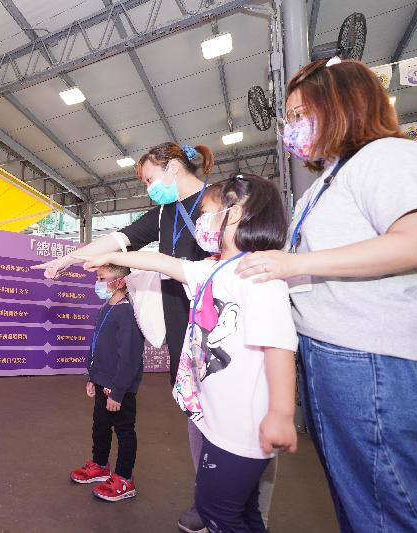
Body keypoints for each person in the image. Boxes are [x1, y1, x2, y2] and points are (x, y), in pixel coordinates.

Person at [34, 143, 278, 532]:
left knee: (244, 420)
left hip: (225, 333)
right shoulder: (165, 212)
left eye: (150, 178)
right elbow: (124, 239)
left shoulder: (219, 205)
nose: (149, 187)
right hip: (185, 334)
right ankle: (210, 497)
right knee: (199, 417)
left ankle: (244, 509)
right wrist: (70, 258)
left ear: (174, 166)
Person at [235, 57, 417, 532]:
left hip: (369, 357)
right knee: (358, 498)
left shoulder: (386, 157)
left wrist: (296, 264)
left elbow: (412, 241)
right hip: (332, 354)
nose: (291, 129)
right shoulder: (330, 179)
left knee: (385, 504)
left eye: (300, 115)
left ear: (341, 105)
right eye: (289, 118)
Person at [81, 174, 298, 531]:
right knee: (242, 513)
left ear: (239, 214)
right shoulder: (212, 269)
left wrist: (281, 413)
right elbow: (161, 262)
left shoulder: (258, 275)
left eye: (208, 214)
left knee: (219, 511)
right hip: (216, 418)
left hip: (244, 424)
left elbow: (279, 347)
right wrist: (107, 254)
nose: (200, 223)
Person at [69, 263, 144, 501]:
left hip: (119, 387)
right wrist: (92, 377)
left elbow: (129, 357)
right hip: (102, 381)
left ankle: (124, 478)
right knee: (100, 425)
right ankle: (100, 465)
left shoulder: (128, 313)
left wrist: (118, 392)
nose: (97, 283)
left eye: (102, 278)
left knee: (123, 430)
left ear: (120, 282)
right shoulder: (106, 308)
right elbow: (97, 346)